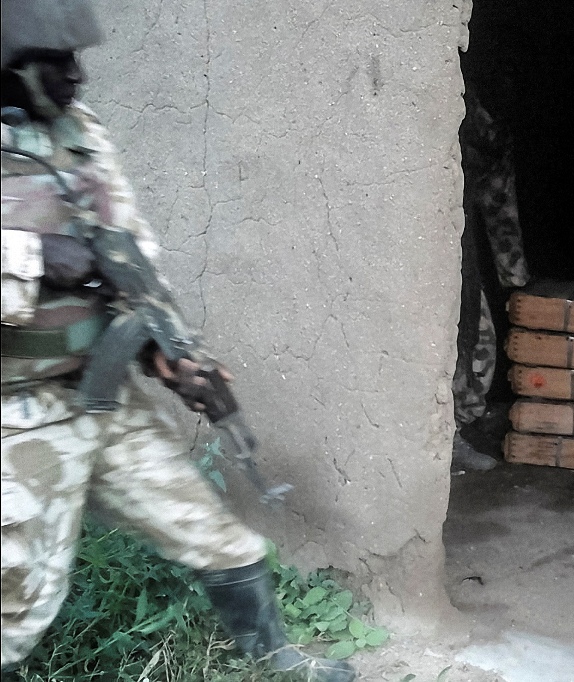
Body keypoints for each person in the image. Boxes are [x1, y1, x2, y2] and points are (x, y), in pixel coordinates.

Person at [0, 2, 354, 680]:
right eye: (57, 63)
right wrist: (35, 256)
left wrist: (164, 353)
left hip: (100, 398)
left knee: (214, 532)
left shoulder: (81, 136)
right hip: (15, 414)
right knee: (13, 600)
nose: (77, 75)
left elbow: (129, 256)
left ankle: (277, 662)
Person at [451, 86, 529, 470]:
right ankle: (444, 437)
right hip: (416, 252)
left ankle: (454, 429)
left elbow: (499, 199)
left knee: (476, 340)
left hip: (458, 249)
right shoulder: (451, 110)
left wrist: (513, 276)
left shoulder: (484, 126)